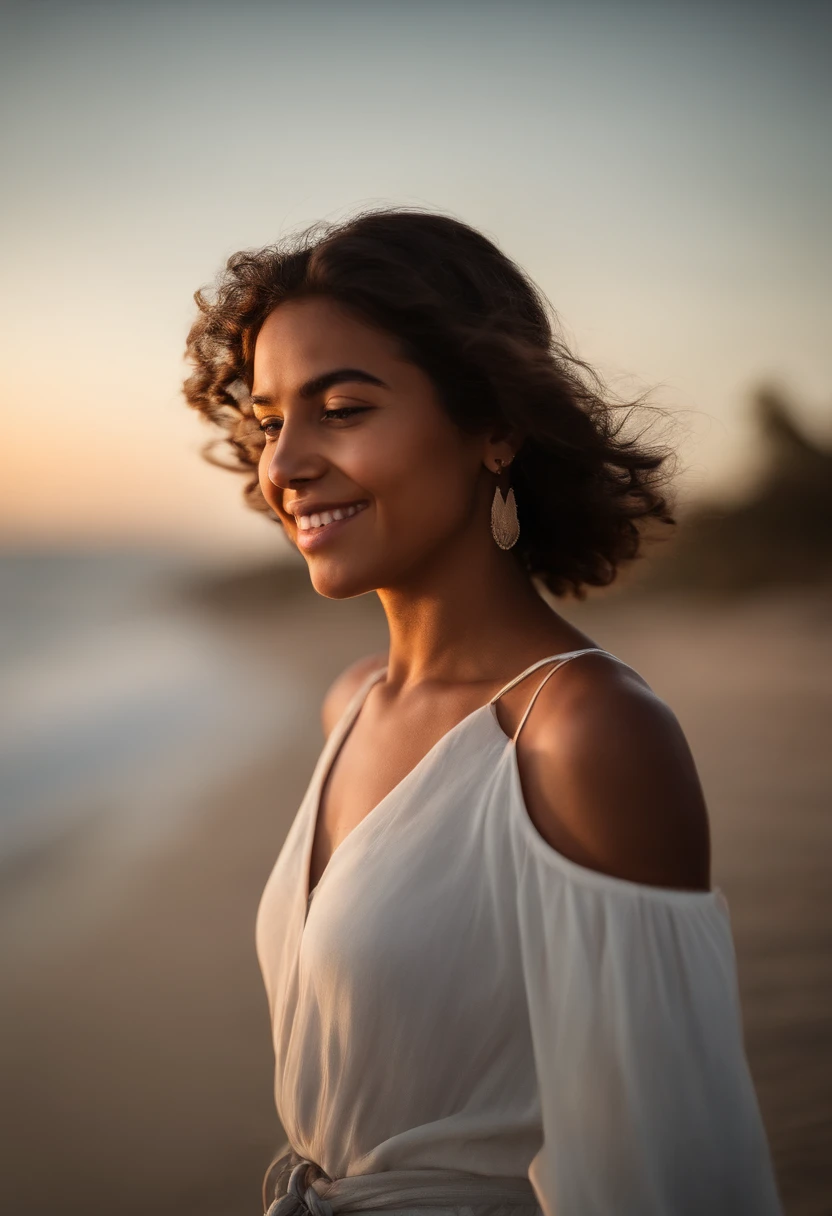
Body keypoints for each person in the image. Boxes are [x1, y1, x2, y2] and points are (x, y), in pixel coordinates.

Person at [183, 208, 784, 1216]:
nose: (282, 465)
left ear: (494, 426)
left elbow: (669, 1173)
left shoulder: (581, 730)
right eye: (269, 420)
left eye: (342, 407)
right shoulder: (352, 704)